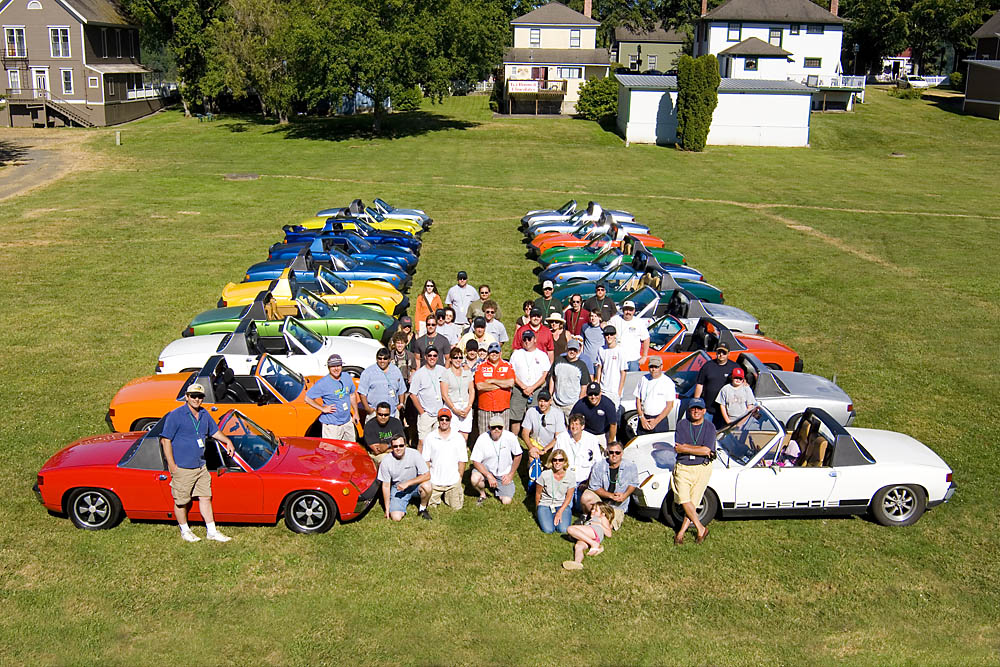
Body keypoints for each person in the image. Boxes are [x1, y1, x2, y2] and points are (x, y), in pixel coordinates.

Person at [160, 382, 236, 542]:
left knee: (205, 497)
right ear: (186, 397)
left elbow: (214, 431)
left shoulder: (204, 414)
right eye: (193, 396)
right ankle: (185, 530)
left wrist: (227, 440)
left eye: (200, 396)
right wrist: (172, 465)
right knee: (181, 502)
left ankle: (211, 531)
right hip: (183, 467)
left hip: (201, 466)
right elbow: (165, 440)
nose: (196, 399)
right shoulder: (175, 415)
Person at [672, 398, 717, 545]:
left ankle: (681, 533)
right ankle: (701, 528)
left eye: (699, 408)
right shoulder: (682, 424)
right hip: (683, 467)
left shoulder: (710, 427)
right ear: (689, 410)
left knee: (693, 502)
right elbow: (679, 448)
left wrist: (686, 448)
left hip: (702, 468)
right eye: (693, 408)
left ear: (704, 411)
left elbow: (706, 450)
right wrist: (700, 450)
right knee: (684, 500)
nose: (696, 411)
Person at [580, 441, 638, 531]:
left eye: (617, 452)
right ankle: (588, 517)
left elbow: (633, 484)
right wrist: (610, 495)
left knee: (608, 526)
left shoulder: (631, 466)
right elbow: (594, 486)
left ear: (622, 453)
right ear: (607, 453)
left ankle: (593, 523)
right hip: (600, 502)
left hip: (617, 505)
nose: (614, 455)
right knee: (586, 496)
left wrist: (625, 495)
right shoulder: (598, 466)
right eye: (611, 452)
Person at [422, 408, 469, 510]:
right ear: (438, 420)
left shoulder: (458, 437)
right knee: (430, 507)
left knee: (456, 507)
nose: (444, 422)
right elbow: (426, 460)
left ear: (450, 420)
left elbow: (462, 460)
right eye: (441, 419)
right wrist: (428, 478)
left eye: (447, 419)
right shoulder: (430, 437)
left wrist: (459, 478)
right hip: (435, 481)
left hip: (452, 481)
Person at [555, 413, 604, 511]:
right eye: (572, 424)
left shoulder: (592, 440)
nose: (574, 427)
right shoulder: (562, 438)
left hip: (584, 482)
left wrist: (588, 482)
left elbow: (598, 464)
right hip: (566, 480)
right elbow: (555, 459)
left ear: (582, 426)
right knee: (566, 507)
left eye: (577, 424)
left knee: (581, 507)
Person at [378, 435, 433, 521]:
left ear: (405, 445)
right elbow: (385, 486)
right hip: (398, 489)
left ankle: (422, 509)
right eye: (395, 446)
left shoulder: (414, 454)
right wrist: (387, 509)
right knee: (396, 517)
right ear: (391, 448)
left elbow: (427, 475)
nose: (398, 448)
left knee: (427, 486)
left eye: (401, 445)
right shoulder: (386, 461)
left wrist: (407, 483)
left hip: (415, 486)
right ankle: (401, 504)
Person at [305, 354, 359, 441]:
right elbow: (308, 398)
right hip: (332, 426)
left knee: (350, 447)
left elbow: (352, 395)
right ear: (328, 367)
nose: (336, 369)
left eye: (338, 365)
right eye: (333, 366)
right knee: (332, 449)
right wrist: (322, 408)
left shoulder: (346, 377)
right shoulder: (323, 383)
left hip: (347, 422)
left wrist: (356, 413)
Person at [470, 416, 522, 505]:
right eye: (493, 427)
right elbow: (475, 461)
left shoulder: (510, 437)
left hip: (503, 473)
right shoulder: (482, 438)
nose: (496, 429)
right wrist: (488, 475)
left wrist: (511, 474)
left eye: (499, 427)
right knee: (475, 479)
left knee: (506, 501)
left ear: (503, 428)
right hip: (486, 469)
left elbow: (518, 455)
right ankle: (483, 494)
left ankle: (498, 488)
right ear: (489, 427)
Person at [509, 329, 551, 437]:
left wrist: (532, 387)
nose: (527, 341)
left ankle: (533, 438)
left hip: (536, 390)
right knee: (516, 417)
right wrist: (523, 387)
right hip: (519, 389)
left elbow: (544, 375)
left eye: (529, 339)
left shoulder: (542, 355)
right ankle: (514, 438)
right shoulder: (516, 354)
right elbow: (512, 373)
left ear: (534, 339)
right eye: (524, 339)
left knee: (535, 416)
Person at [693, 343, 739, 427]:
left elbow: (741, 384)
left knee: (722, 433)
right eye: (719, 352)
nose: (721, 355)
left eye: (724, 353)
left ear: (728, 354)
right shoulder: (707, 366)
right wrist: (696, 402)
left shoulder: (734, 367)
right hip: (708, 409)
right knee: (705, 431)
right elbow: (700, 384)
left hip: (726, 411)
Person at [408, 347, 446, 450]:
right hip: (426, 414)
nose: (432, 358)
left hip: (439, 414)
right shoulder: (419, 374)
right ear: (425, 357)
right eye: (430, 355)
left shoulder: (442, 370)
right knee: (423, 442)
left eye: (434, 355)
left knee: (437, 443)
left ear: (437, 357)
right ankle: (420, 460)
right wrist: (422, 412)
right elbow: (412, 394)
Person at [474, 342, 515, 433]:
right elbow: (479, 386)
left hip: (503, 407)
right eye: (492, 352)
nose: (494, 354)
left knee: (503, 435)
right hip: (485, 407)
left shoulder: (507, 365)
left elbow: (511, 383)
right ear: (488, 354)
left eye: (496, 352)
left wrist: (493, 380)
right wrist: (502, 385)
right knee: (484, 435)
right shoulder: (481, 366)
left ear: (500, 353)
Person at [562, 502, 615, 570]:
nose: (592, 511)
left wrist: (599, 524)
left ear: (603, 514)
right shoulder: (590, 519)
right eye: (592, 509)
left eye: (596, 510)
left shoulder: (602, 518)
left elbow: (609, 534)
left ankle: (594, 544)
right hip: (590, 536)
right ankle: (577, 562)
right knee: (578, 547)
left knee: (570, 529)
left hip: (594, 531)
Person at [358, 347, 407, 420]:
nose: (382, 361)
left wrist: (401, 404)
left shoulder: (396, 370)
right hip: (375, 414)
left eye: (385, 359)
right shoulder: (368, 372)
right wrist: (368, 409)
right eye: (379, 358)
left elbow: (401, 389)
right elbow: (362, 393)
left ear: (389, 359)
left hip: (392, 413)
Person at [534, 449, 575, 534]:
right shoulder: (545, 475)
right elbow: (538, 494)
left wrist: (560, 511)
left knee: (563, 529)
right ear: (551, 461)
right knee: (548, 530)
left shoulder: (571, 476)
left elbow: (569, 497)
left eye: (560, 460)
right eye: (555, 460)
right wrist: (538, 509)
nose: (557, 462)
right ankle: (546, 515)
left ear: (564, 461)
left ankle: (554, 516)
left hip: (561, 504)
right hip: (545, 504)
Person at [520, 390, 566, 463]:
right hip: (535, 445)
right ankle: (534, 467)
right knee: (533, 456)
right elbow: (524, 433)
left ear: (550, 401)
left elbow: (558, 437)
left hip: (552, 447)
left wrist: (544, 449)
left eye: (545, 401)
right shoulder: (531, 411)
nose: (542, 404)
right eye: (540, 401)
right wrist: (531, 447)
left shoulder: (558, 414)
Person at [548, 339, 590, 419]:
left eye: (575, 350)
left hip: (571, 405)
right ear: (566, 348)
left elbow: (584, 386)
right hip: (556, 403)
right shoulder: (558, 360)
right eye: (570, 349)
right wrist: (550, 395)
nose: (572, 352)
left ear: (578, 351)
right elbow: (552, 378)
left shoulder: (582, 366)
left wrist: (579, 403)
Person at [633, 356, 676, 435]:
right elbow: (638, 399)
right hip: (644, 418)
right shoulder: (643, 379)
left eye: (656, 367)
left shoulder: (667, 382)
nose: (653, 369)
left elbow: (669, 405)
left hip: (660, 421)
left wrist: (656, 421)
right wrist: (642, 418)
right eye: (651, 367)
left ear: (661, 367)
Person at [440, 347, 475, 439]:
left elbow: (471, 390)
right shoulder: (446, 374)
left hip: (465, 406)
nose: (458, 360)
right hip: (452, 406)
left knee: (464, 437)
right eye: (455, 357)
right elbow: (444, 395)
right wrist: (454, 409)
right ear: (451, 359)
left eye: (460, 357)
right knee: (452, 437)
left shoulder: (467, 372)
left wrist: (469, 407)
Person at [607, 299, 650, 371]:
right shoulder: (615, 320)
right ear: (623, 310)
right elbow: (606, 330)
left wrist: (644, 356)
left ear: (634, 311)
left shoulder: (639, 322)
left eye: (630, 310)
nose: (628, 312)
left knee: (632, 378)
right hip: (617, 359)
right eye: (626, 309)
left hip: (633, 360)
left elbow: (646, 339)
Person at [571, 382, 619, 446]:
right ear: (586, 394)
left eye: (596, 394)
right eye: (590, 394)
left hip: (605, 433)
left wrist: (610, 443)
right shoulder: (580, 404)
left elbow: (613, 425)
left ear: (600, 393)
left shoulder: (608, 405)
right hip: (587, 433)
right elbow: (572, 419)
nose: (593, 397)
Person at [594, 325, 627, 413]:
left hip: (614, 390)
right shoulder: (601, 350)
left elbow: (623, 372)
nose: (609, 336)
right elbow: (599, 368)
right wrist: (598, 386)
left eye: (611, 334)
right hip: (603, 389)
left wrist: (619, 391)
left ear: (615, 335)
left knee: (613, 414)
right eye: (606, 334)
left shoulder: (620, 351)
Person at [580, 308, 605, 374]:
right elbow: (582, 342)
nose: (593, 318)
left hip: (599, 361)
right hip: (587, 360)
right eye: (591, 316)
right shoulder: (585, 327)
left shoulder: (603, 328)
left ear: (600, 318)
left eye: (595, 316)